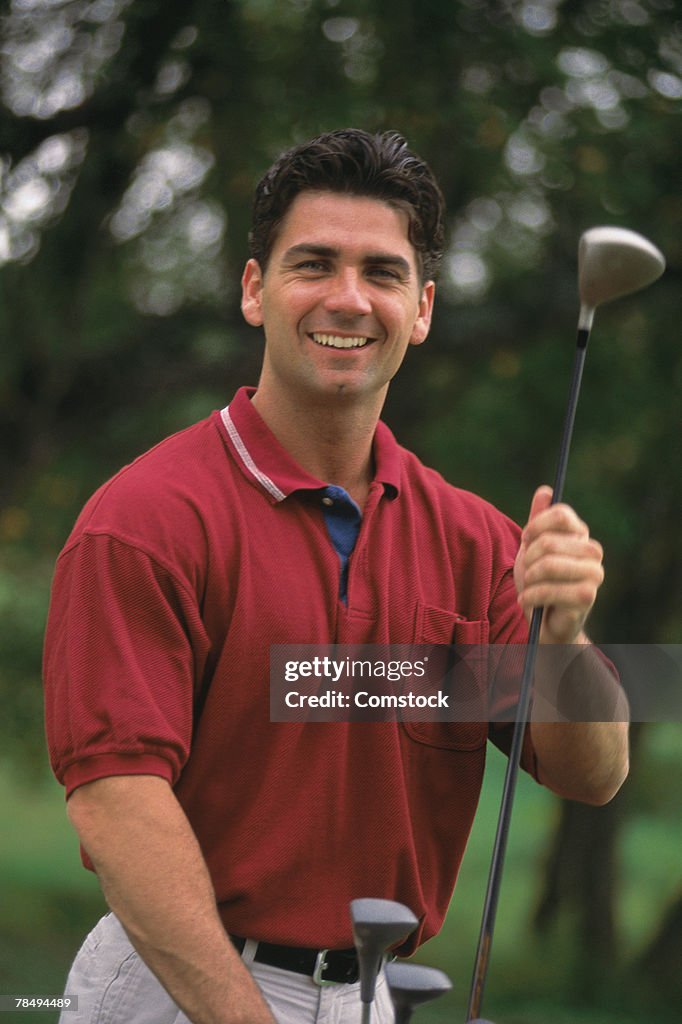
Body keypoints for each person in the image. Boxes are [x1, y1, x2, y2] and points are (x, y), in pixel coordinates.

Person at [43, 129, 629, 1024]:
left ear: (422, 308)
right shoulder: (144, 522)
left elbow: (595, 772)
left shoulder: (478, 542)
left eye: (383, 273)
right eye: (313, 263)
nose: (348, 299)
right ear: (254, 290)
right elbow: (117, 805)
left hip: (366, 996)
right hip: (177, 986)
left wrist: (564, 633)